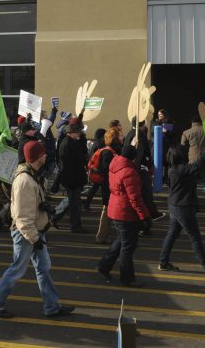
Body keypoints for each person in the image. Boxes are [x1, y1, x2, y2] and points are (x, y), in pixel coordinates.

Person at [0, 141, 74, 319]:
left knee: (43, 267)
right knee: (17, 268)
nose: (46, 155)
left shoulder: (32, 175)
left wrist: (43, 207)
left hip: (33, 231)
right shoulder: (25, 180)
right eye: (43, 153)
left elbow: (28, 208)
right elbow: (22, 218)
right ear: (38, 157)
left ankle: (52, 306)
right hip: (26, 233)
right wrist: (35, 239)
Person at [159, 143, 205, 277]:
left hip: (175, 205)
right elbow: (196, 165)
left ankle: (163, 262)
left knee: (172, 234)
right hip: (183, 207)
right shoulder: (180, 169)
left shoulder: (173, 169)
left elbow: (194, 165)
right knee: (195, 238)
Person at [96, 141, 151, 287]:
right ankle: (127, 278)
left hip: (115, 207)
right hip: (125, 211)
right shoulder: (130, 172)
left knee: (121, 240)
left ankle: (104, 265)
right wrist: (144, 216)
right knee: (127, 246)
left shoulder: (115, 165)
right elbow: (135, 198)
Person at [56, 121, 88, 233]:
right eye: (77, 132)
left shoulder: (71, 142)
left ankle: (54, 217)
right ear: (71, 132)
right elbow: (66, 165)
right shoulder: (68, 144)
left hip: (73, 178)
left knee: (72, 202)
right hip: (72, 178)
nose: (79, 134)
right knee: (74, 204)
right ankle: (75, 225)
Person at [92, 128, 121, 244]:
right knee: (107, 210)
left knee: (109, 210)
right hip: (108, 186)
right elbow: (105, 170)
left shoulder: (112, 151)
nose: (122, 137)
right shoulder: (108, 153)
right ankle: (101, 236)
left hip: (109, 185)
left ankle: (103, 235)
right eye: (120, 135)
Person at [181, 114, 205, 211]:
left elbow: (182, 147)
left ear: (192, 122)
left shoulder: (186, 132)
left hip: (192, 161)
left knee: (192, 183)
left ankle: (194, 204)